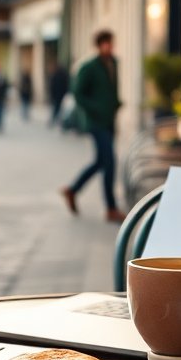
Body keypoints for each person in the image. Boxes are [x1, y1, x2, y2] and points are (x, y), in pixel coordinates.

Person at [61, 30, 124, 222]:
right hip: (96, 122)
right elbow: (78, 94)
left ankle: (72, 190)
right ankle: (111, 208)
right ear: (100, 45)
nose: (110, 46)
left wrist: (115, 104)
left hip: (109, 120)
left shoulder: (113, 62)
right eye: (107, 43)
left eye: (112, 43)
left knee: (100, 162)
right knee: (109, 163)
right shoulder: (89, 66)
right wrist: (96, 108)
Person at [48, 61, 70, 129]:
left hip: (58, 95)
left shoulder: (56, 75)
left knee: (57, 109)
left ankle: (57, 122)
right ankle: (59, 122)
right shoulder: (62, 74)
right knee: (58, 109)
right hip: (60, 95)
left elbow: (52, 86)